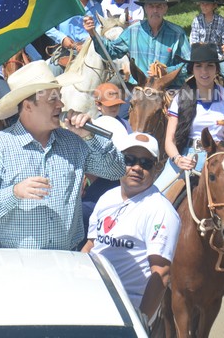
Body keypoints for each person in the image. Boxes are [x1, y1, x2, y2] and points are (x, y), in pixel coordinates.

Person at [0, 61, 127, 250]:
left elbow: (116, 171)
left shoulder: (75, 142)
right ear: (27, 106)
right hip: (14, 265)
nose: (61, 105)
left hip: (66, 262)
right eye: (53, 99)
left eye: (59, 98)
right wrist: (14, 193)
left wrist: (90, 136)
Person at [155, 43, 224, 311]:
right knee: (153, 206)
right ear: (192, 70)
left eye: (209, 66)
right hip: (184, 160)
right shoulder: (181, 96)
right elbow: (169, 140)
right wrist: (177, 158)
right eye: (199, 66)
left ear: (216, 70)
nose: (204, 71)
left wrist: (219, 158)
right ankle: (149, 276)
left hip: (219, 164)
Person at [83, 132, 180, 323]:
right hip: (92, 297)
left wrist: (140, 320)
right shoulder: (107, 198)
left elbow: (161, 273)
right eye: (130, 160)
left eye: (146, 163)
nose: (136, 167)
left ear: (156, 169)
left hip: (126, 310)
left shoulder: (160, 211)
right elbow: (91, 245)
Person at [98, 0, 191, 88]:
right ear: (145, 9)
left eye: (159, 6)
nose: (155, 10)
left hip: (166, 90)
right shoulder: (133, 31)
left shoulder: (177, 34)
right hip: (138, 89)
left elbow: (189, 64)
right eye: (151, 6)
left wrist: (166, 71)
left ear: (165, 9)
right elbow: (111, 51)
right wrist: (93, 34)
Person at [46, 0, 104, 75]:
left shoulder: (98, 7)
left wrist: (88, 43)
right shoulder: (64, 2)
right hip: (64, 51)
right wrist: (62, 38)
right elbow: (46, 26)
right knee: (51, 76)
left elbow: (100, 31)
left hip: (89, 53)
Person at [189, 0, 224, 89]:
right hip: (200, 56)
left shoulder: (221, 21)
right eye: (202, 4)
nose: (204, 6)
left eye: (207, 4)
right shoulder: (196, 21)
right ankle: (185, 99)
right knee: (185, 75)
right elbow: (193, 39)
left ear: (214, 6)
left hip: (217, 56)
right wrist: (197, 45)